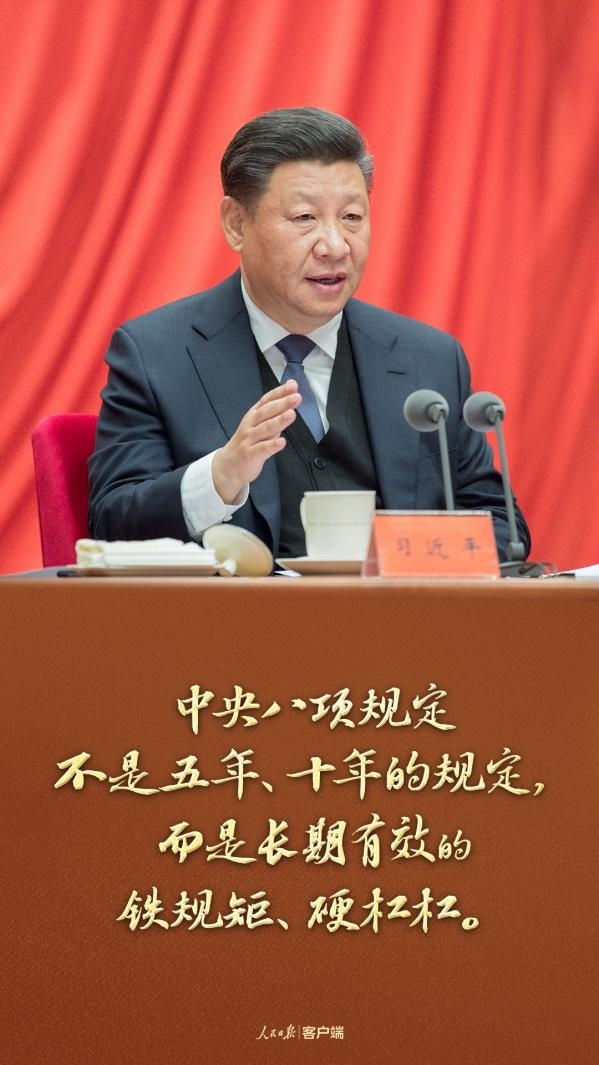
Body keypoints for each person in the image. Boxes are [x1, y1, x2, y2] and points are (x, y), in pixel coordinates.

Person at [88, 106, 530, 561]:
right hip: (243, 607)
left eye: (352, 217)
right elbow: (111, 523)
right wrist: (220, 476)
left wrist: (404, 562)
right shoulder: (158, 354)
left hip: (396, 604)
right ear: (237, 224)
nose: (335, 246)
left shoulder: (427, 358)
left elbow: (500, 525)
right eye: (304, 218)